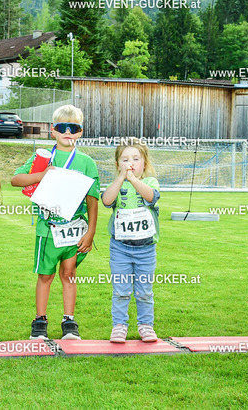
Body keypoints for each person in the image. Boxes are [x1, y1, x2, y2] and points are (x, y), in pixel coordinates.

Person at [11, 105, 99, 340]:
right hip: (48, 230)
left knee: (69, 274)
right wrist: (41, 175)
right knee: (45, 275)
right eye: (62, 127)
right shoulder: (42, 157)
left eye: (73, 128)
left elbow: (92, 200)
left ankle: (69, 321)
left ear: (81, 132)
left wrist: (91, 232)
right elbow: (15, 179)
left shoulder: (86, 162)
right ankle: (40, 320)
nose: (68, 132)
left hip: (74, 229)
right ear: (53, 130)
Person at [101, 138, 160, 343]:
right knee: (121, 290)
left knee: (144, 291)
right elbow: (106, 200)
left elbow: (151, 197)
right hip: (120, 248)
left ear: (144, 163)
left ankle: (146, 325)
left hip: (146, 249)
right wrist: (121, 178)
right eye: (125, 160)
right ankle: (119, 326)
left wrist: (133, 179)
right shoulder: (116, 185)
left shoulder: (150, 182)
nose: (130, 163)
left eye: (136, 159)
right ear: (118, 164)